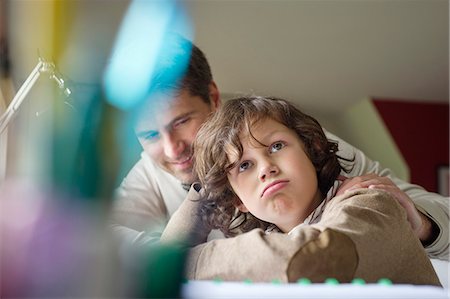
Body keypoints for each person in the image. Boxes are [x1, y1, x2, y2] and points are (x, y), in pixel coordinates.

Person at [109, 35, 448, 260]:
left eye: (182, 121)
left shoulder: (297, 141)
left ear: (212, 97)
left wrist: (422, 224)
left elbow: (428, 208)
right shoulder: (147, 176)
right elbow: (97, 246)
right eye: (150, 135)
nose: (172, 150)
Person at [159, 96, 440, 284]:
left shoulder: (369, 203)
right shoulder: (265, 255)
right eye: (244, 165)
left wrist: (180, 264)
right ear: (237, 200)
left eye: (276, 146)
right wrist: (206, 194)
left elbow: (311, 258)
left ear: (313, 150)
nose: (265, 168)